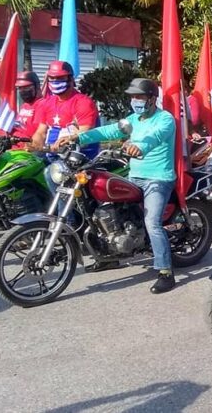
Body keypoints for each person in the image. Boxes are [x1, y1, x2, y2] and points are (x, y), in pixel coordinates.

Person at [56, 78, 178, 294]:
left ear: (152, 98)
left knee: (152, 222)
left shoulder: (165, 119)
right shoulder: (133, 119)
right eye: (132, 97)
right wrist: (78, 137)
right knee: (99, 208)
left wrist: (139, 147)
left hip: (158, 178)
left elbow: (154, 137)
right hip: (135, 175)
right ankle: (107, 256)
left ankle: (165, 272)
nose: (135, 101)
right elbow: (109, 131)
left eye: (139, 97)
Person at [31, 61, 99, 157]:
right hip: (49, 158)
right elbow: (40, 132)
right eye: (52, 78)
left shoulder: (83, 103)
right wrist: (34, 146)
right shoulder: (46, 103)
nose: (55, 81)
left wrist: (66, 142)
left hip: (78, 160)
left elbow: (84, 135)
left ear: (70, 79)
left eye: (60, 78)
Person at [12, 71, 46, 144]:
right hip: (13, 146)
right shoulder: (25, 105)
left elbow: (38, 133)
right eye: (20, 88)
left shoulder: (42, 105)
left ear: (36, 86)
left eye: (26, 87)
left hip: (28, 149)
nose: (22, 91)